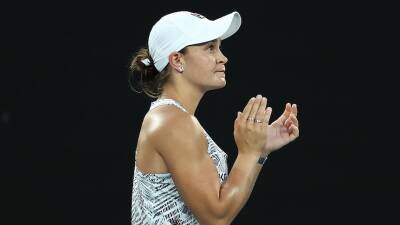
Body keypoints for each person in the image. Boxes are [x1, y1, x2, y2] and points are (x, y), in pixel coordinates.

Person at [129, 11, 300, 225]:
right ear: (177, 60)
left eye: (218, 47)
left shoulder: (171, 117)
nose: (223, 57)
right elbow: (217, 217)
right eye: (210, 47)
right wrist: (250, 152)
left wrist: (260, 151)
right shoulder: (171, 121)